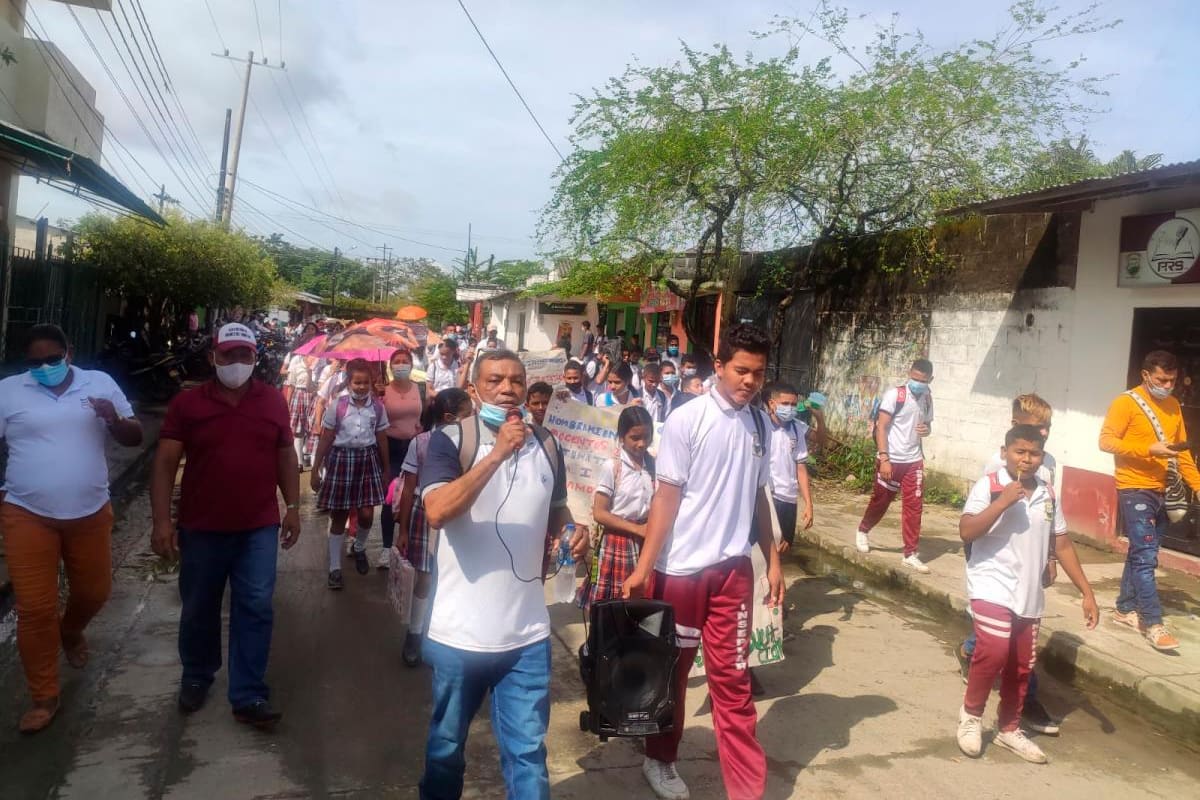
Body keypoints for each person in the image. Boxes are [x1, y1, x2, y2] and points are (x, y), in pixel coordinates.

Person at [623, 323, 784, 800]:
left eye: (757, 373)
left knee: (733, 682)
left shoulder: (759, 424)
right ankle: (660, 759)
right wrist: (643, 567)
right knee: (672, 674)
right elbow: (666, 499)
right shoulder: (685, 420)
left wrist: (772, 561)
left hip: (733, 572)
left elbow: (759, 496)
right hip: (681, 573)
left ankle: (746, 789)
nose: (750, 381)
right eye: (740, 370)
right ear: (718, 367)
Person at [416, 350, 586, 800]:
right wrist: (495, 455)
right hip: (460, 637)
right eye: (495, 380)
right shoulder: (450, 440)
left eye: (516, 381)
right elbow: (437, 510)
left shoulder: (548, 445)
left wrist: (572, 531)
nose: (508, 389)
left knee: (528, 753)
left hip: (526, 635)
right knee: (446, 748)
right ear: (475, 389)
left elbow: (557, 512)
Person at [151, 322, 299, 729]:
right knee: (199, 606)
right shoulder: (188, 404)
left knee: (256, 607)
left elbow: (286, 455)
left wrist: (294, 506)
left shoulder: (273, 401)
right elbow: (164, 463)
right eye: (228, 355)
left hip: (258, 527)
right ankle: (197, 675)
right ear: (212, 356)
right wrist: (162, 521)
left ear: (256, 358)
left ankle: (248, 693)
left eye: (244, 356)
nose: (236, 363)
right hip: (201, 528)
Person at [0, 324, 142, 733]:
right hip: (26, 513)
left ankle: (72, 629)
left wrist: (113, 418)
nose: (44, 366)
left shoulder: (99, 383)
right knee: (34, 609)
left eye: (52, 358)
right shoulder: (10, 391)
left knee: (94, 592)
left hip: (90, 511)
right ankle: (44, 695)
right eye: (35, 361)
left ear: (69, 352)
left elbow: (134, 437)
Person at [956, 425, 1098, 764]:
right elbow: (967, 530)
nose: (1026, 459)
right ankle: (971, 717)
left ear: (1041, 456)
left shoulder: (1048, 492)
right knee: (992, 649)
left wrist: (1087, 592)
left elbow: (1061, 542)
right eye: (1019, 451)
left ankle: (1008, 728)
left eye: (1033, 453)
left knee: (1021, 665)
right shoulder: (989, 485)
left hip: (1028, 590)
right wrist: (1003, 502)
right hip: (990, 583)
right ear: (1005, 452)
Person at [954, 394, 1060, 734]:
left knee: (1007, 637)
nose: (1041, 435)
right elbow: (979, 517)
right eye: (1034, 428)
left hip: (1027, 557)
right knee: (1000, 637)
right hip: (993, 554)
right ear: (1015, 428)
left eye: (1046, 430)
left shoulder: (1048, 462)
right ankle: (1022, 703)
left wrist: (1050, 555)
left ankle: (972, 651)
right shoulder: (996, 464)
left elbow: (1048, 512)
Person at [1100, 350, 1200, 653]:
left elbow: (1181, 452)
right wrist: (1148, 450)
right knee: (1146, 557)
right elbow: (1106, 441)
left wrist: (1197, 485)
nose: (1167, 385)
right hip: (1134, 489)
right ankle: (1153, 622)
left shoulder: (1172, 405)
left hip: (1164, 490)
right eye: (1161, 379)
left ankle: (1123, 609)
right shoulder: (1124, 403)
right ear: (1146, 375)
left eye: (1171, 380)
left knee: (1141, 553)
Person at [393, 388, 473, 667]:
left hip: (462, 513)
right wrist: (402, 529)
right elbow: (409, 488)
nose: (473, 417)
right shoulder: (423, 442)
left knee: (456, 576)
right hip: (425, 513)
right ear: (450, 417)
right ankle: (415, 633)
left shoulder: (472, 440)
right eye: (468, 413)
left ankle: (448, 634)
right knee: (425, 578)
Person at [311, 359, 390, 586]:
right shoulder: (338, 404)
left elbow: (382, 438)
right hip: (342, 460)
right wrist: (316, 468)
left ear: (371, 383)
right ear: (348, 382)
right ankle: (335, 568)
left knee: (366, 514)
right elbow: (326, 436)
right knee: (339, 515)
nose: (361, 387)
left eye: (365, 383)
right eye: (357, 382)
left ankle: (359, 547)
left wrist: (386, 470)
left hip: (367, 460)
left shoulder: (377, 407)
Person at [855, 358, 935, 573]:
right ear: (910, 374)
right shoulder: (895, 395)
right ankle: (863, 529)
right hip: (891, 458)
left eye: (923, 380)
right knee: (881, 500)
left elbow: (927, 425)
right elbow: (881, 427)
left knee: (914, 507)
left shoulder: (927, 398)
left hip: (913, 461)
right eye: (915, 378)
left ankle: (910, 553)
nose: (917, 383)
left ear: (930, 380)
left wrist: (926, 431)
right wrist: (884, 458)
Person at [578, 406, 656, 611]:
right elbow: (600, 513)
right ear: (622, 437)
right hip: (618, 542)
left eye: (647, 437)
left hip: (646, 541)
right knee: (614, 605)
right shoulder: (612, 467)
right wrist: (637, 529)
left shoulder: (653, 465)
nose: (642, 443)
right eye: (635, 437)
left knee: (640, 604)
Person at [378, 348, 424, 568]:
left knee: (412, 498)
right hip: (391, 449)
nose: (401, 365)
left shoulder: (421, 389)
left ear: (412, 365)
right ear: (391, 365)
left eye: (405, 361)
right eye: (397, 361)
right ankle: (387, 548)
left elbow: (428, 416)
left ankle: (407, 545)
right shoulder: (383, 391)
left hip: (415, 448)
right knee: (390, 499)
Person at [763, 382, 814, 549]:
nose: (790, 408)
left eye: (793, 405)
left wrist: (808, 503)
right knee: (766, 545)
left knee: (784, 546)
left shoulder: (797, 429)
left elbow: (801, 468)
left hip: (789, 497)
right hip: (769, 496)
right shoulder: (761, 426)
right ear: (772, 403)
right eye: (785, 404)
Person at [283, 353, 316, 470]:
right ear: (305, 356)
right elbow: (291, 386)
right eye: (309, 356)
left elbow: (311, 388)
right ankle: (299, 462)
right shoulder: (296, 367)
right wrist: (287, 403)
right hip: (298, 395)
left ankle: (313, 460)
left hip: (312, 396)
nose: (311, 358)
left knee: (312, 429)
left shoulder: (316, 368)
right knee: (298, 430)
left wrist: (310, 372)